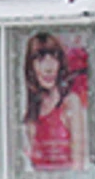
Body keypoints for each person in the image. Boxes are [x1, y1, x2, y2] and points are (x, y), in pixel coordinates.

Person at [23, 32, 86, 171]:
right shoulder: (33, 108)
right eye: (40, 60)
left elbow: (78, 162)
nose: (49, 68)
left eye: (54, 59)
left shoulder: (70, 103)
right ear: (31, 67)